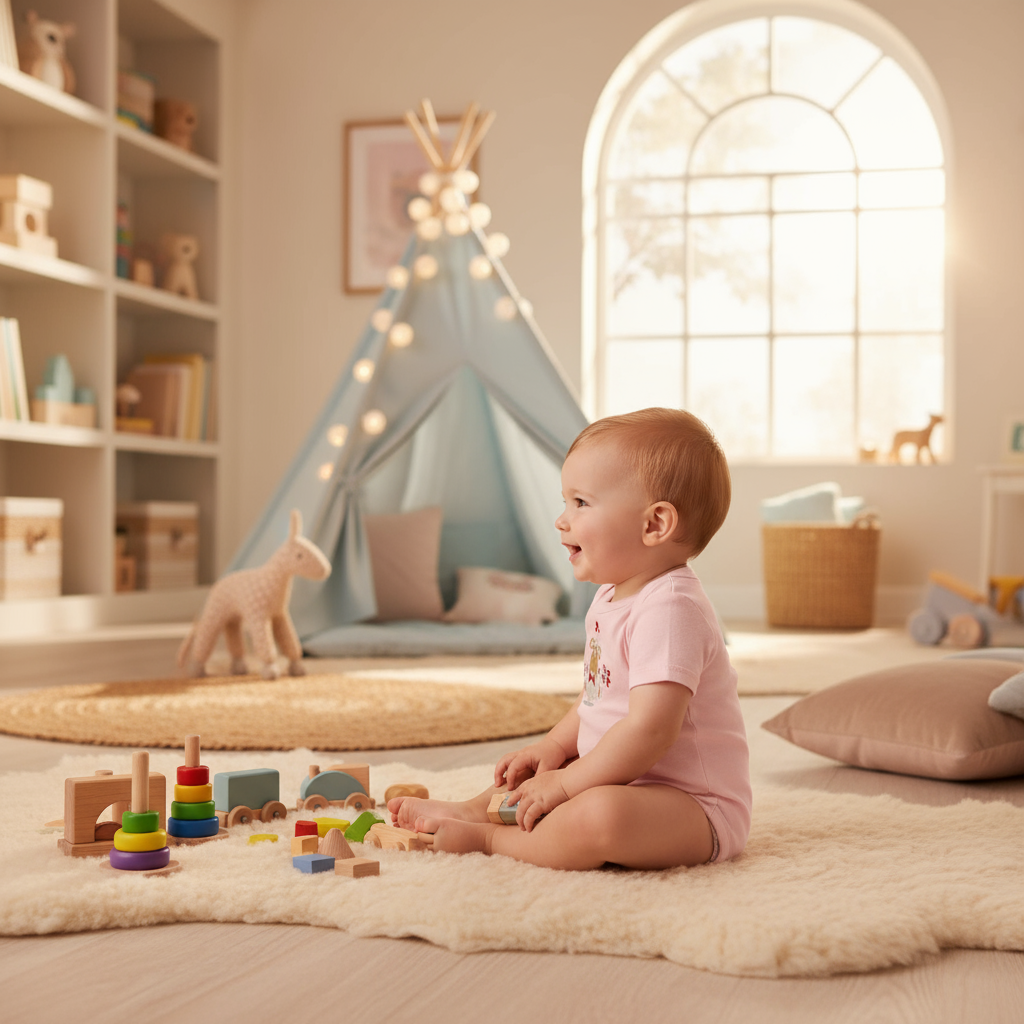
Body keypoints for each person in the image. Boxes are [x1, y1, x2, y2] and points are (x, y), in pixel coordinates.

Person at [390, 408, 751, 869]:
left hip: (692, 807)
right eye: (566, 503)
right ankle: (472, 809)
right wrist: (554, 749)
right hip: (620, 774)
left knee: (600, 816)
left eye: (580, 503)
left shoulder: (672, 608)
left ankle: (490, 840)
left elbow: (650, 730)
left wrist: (567, 785)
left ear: (655, 524)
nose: (561, 520)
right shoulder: (610, 596)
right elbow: (596, 699)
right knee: (540, 770)